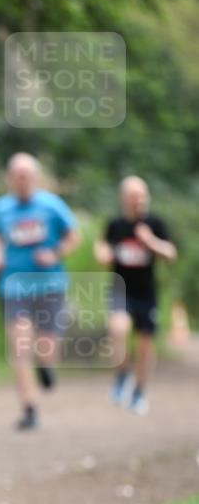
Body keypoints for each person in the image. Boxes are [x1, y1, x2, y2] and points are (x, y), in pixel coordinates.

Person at [0, 153, 80, 430]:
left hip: (50, 284)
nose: (22, 179)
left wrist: (55, 253)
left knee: (46, 344)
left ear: (36, 177)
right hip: (14, 286)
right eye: (17, 174)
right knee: (19, 343)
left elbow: (74, 236)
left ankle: (46, 365)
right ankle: (29, 408)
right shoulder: (1, 208)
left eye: (27, 174)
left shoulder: (52, 205)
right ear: (10, 178)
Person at [94, 176, 177, 415]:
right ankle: (122, 374)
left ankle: (140, 392)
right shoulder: (115, 225)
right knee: (118, 330)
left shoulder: (155, 223)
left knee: (145, 346)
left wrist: (150, 241)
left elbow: (171, 254)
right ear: (124, 198)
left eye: (142, 195)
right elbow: (101, 248)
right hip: (120, 290)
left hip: (147, 294)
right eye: (133, 195)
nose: (138, 200)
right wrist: (104, 254)